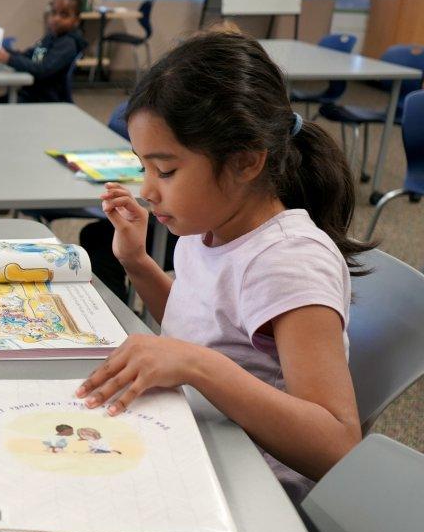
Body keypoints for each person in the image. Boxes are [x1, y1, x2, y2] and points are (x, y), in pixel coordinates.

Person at [74, 29, 370, 502]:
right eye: (143, 167)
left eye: (166, 170)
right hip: (200, 443)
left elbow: (337, 445)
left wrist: (197, 366)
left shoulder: (289, 262)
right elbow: (202, 324)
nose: (148, 190)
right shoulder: (207, 228)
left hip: (258, 493)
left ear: (247, 162)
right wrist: (137, 262)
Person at [0, 0, 88, 103]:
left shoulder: (67, 44)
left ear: (76, 20)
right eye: (54, 13)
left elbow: (42, 69)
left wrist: (8, 59)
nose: (56, 18)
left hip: (44, 101)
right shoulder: (52, 37)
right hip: (31, 94)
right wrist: (2, 52)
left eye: (64, 15)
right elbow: (31, 56)